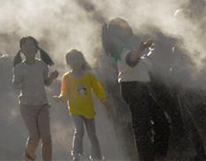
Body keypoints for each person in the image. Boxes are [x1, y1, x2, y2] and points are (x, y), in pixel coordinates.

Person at [102, 18, 170, 161]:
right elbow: (130, 61)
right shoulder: (118, 46)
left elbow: (139, 63)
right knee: (143, 128)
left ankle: (158, 156)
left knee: (161, 122)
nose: (127, 28)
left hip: (139, 87)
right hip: (132, 88)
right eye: (123, 26)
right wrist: (142, 48)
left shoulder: (124, 46)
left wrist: (147, 54)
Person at [12, 36, 58, 161]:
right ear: (21, 50)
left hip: (42, 105)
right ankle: (28, 158)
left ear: (36, 48)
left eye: (32, 45)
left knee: (46, 137)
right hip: (27, 106)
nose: (29, 48)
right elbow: (15, 86)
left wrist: (52, 78)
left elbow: (46, 83)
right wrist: (20, 83)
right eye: (25, 45)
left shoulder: (42, 65)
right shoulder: (18, 68)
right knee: (35, 136)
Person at [58, 49, 108, 161]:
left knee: (92, 134)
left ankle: (97, 157)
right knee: (79, 130)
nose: (75, 61)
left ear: (82, 60)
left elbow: (98, 89)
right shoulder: (66, 77)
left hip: (89, 110)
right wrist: (60, 98)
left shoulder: (89, 76)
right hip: (75, 110)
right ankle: (76, 154)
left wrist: (103, 99)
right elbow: (64, 93)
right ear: (68, 62)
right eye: (72, 59)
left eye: (78, 59)